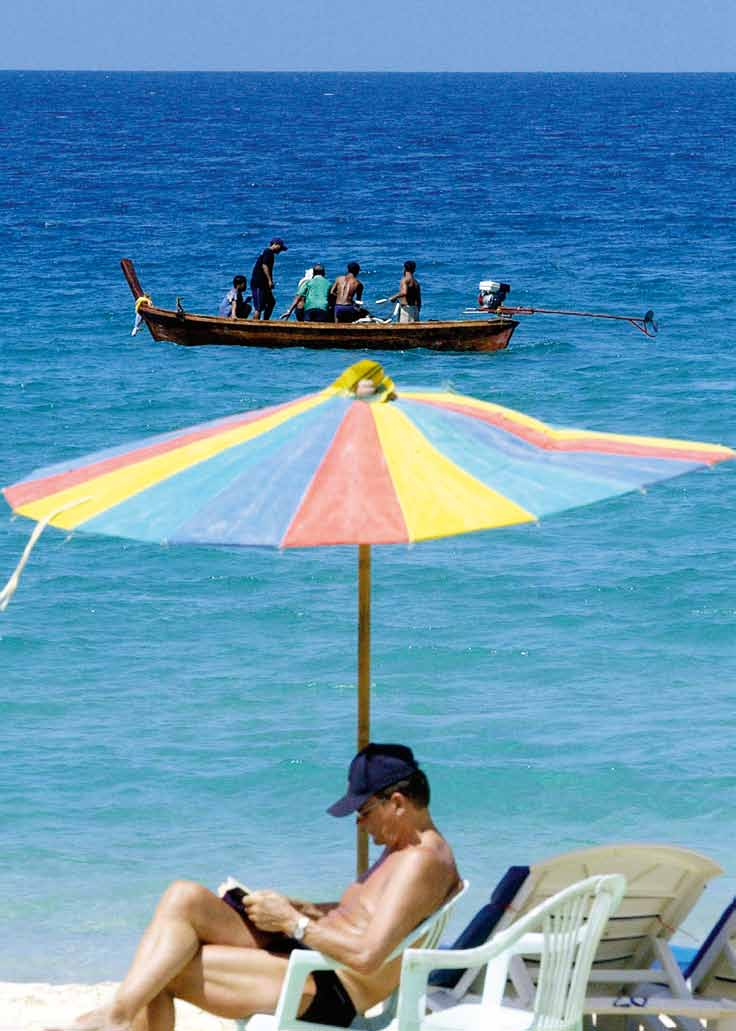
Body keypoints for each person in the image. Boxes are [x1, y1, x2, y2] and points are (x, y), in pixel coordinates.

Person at [57, 743, 460, 1031]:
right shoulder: (408, 849)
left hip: (334, 983)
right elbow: (370, 915)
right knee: (184, 896)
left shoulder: (420, 862)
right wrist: (304, 908)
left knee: (161, 972)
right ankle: (120, 1017)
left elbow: (368, 955)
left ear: (398, 802)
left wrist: (291, 923)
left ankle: (118, 1016)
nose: (359, 823)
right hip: (315, 954)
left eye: (363, 811)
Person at [250, 237, 288, 320]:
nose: (280, 250)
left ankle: (265, 321)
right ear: (275, 244)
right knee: (259, 307)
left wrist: (269, 282)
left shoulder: (269, 253)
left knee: (271, 302)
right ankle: (255, 326)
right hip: (259, 283)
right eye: (280, 248)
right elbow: (264, 266)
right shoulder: (268, 252)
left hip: (264, 283)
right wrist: (270, 281)